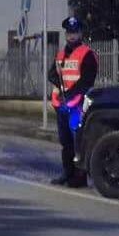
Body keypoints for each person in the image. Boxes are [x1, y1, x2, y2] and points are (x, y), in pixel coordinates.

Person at [46, 16, 97, 187]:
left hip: (78, 105)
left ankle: (79, 177)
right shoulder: (61, 55)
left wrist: (71, 94)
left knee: (78, 141)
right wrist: (60, 90)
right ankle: (67, 174)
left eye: (75, 33)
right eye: (69, 33)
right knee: (65, 142)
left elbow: (87, 81)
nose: (72, 36)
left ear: (80, 33)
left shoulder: (87, 54)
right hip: (63, 104)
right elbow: (52, 74)